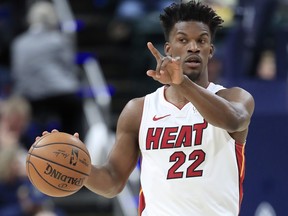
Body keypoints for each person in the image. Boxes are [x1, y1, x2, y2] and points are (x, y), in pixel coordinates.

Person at [38, 1, 255, 215]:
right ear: (169, 49)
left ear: (211, 51)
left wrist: (182, 84)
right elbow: (113, 181)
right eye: (183, 39)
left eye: (202, 40)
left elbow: (234, 120)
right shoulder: (139, 110)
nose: (193, 47)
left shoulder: (233, 97)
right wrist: (80, 169)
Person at [10, 1, 84, 138]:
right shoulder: (59, 40)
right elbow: (70, 69)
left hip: (30, 97)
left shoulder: (19, 43)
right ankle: (73, 145)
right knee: (75, 105)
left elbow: (17, 73)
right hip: (60, 94)